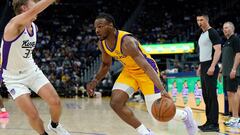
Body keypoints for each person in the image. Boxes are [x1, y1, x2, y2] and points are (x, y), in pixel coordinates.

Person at [87, 13, 197, 135]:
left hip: (146, 70)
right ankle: (145, 132)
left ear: (111, 26)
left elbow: (145, 66)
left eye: (100, 26)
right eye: (96, 28)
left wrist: (162, 90)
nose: (97, 30)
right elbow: (106, 64)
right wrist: (95, 81)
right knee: (115, 103)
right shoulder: (102, 44)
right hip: (129, 71)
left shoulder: (127, 42)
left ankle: (185, 115)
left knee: (156, 113)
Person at [0, 0, 70, 135]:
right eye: (34, 3)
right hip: (13, 78)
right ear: (24, 8)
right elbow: (34, 11)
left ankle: (54, 125)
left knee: (55, 102)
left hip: (31, 71)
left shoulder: (34, 27)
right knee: (32, 114)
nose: (37, 5)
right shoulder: (14, 24)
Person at [196, 14, 221, 132]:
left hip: (211, 65)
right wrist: (201, 66)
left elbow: (218, 50)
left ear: (206, 20)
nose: (199, 22)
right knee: (206, 96)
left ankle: (215, 124)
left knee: (211, 96)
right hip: (204, 65)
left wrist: (212, 66)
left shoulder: (213, 32)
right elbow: (204, 51)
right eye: (198, 20)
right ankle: (209, 121)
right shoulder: (202, 35)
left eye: (201, 20)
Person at [219, 21, 240, 127]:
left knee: (233, 93)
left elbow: (238, 54)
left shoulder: (235, 39)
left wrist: (234, 69)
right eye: (223, 28)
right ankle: (233, 117)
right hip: (226, 72)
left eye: (227, 27)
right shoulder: (226, 42)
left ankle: (236, 118)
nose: (225, 29)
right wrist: (221, 71)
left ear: (232, 28)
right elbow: (225, 58)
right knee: (229, 94)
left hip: (232, 72)